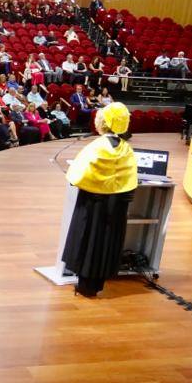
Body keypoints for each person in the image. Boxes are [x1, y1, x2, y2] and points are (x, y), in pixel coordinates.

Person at [62, 103, 137, 297]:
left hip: (93, 204)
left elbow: (77, 175)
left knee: (88, 239)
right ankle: (97, 284)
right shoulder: (126, 149)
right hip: (116, 206)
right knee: (105, 242)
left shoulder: (97, 146)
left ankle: (84, 284)